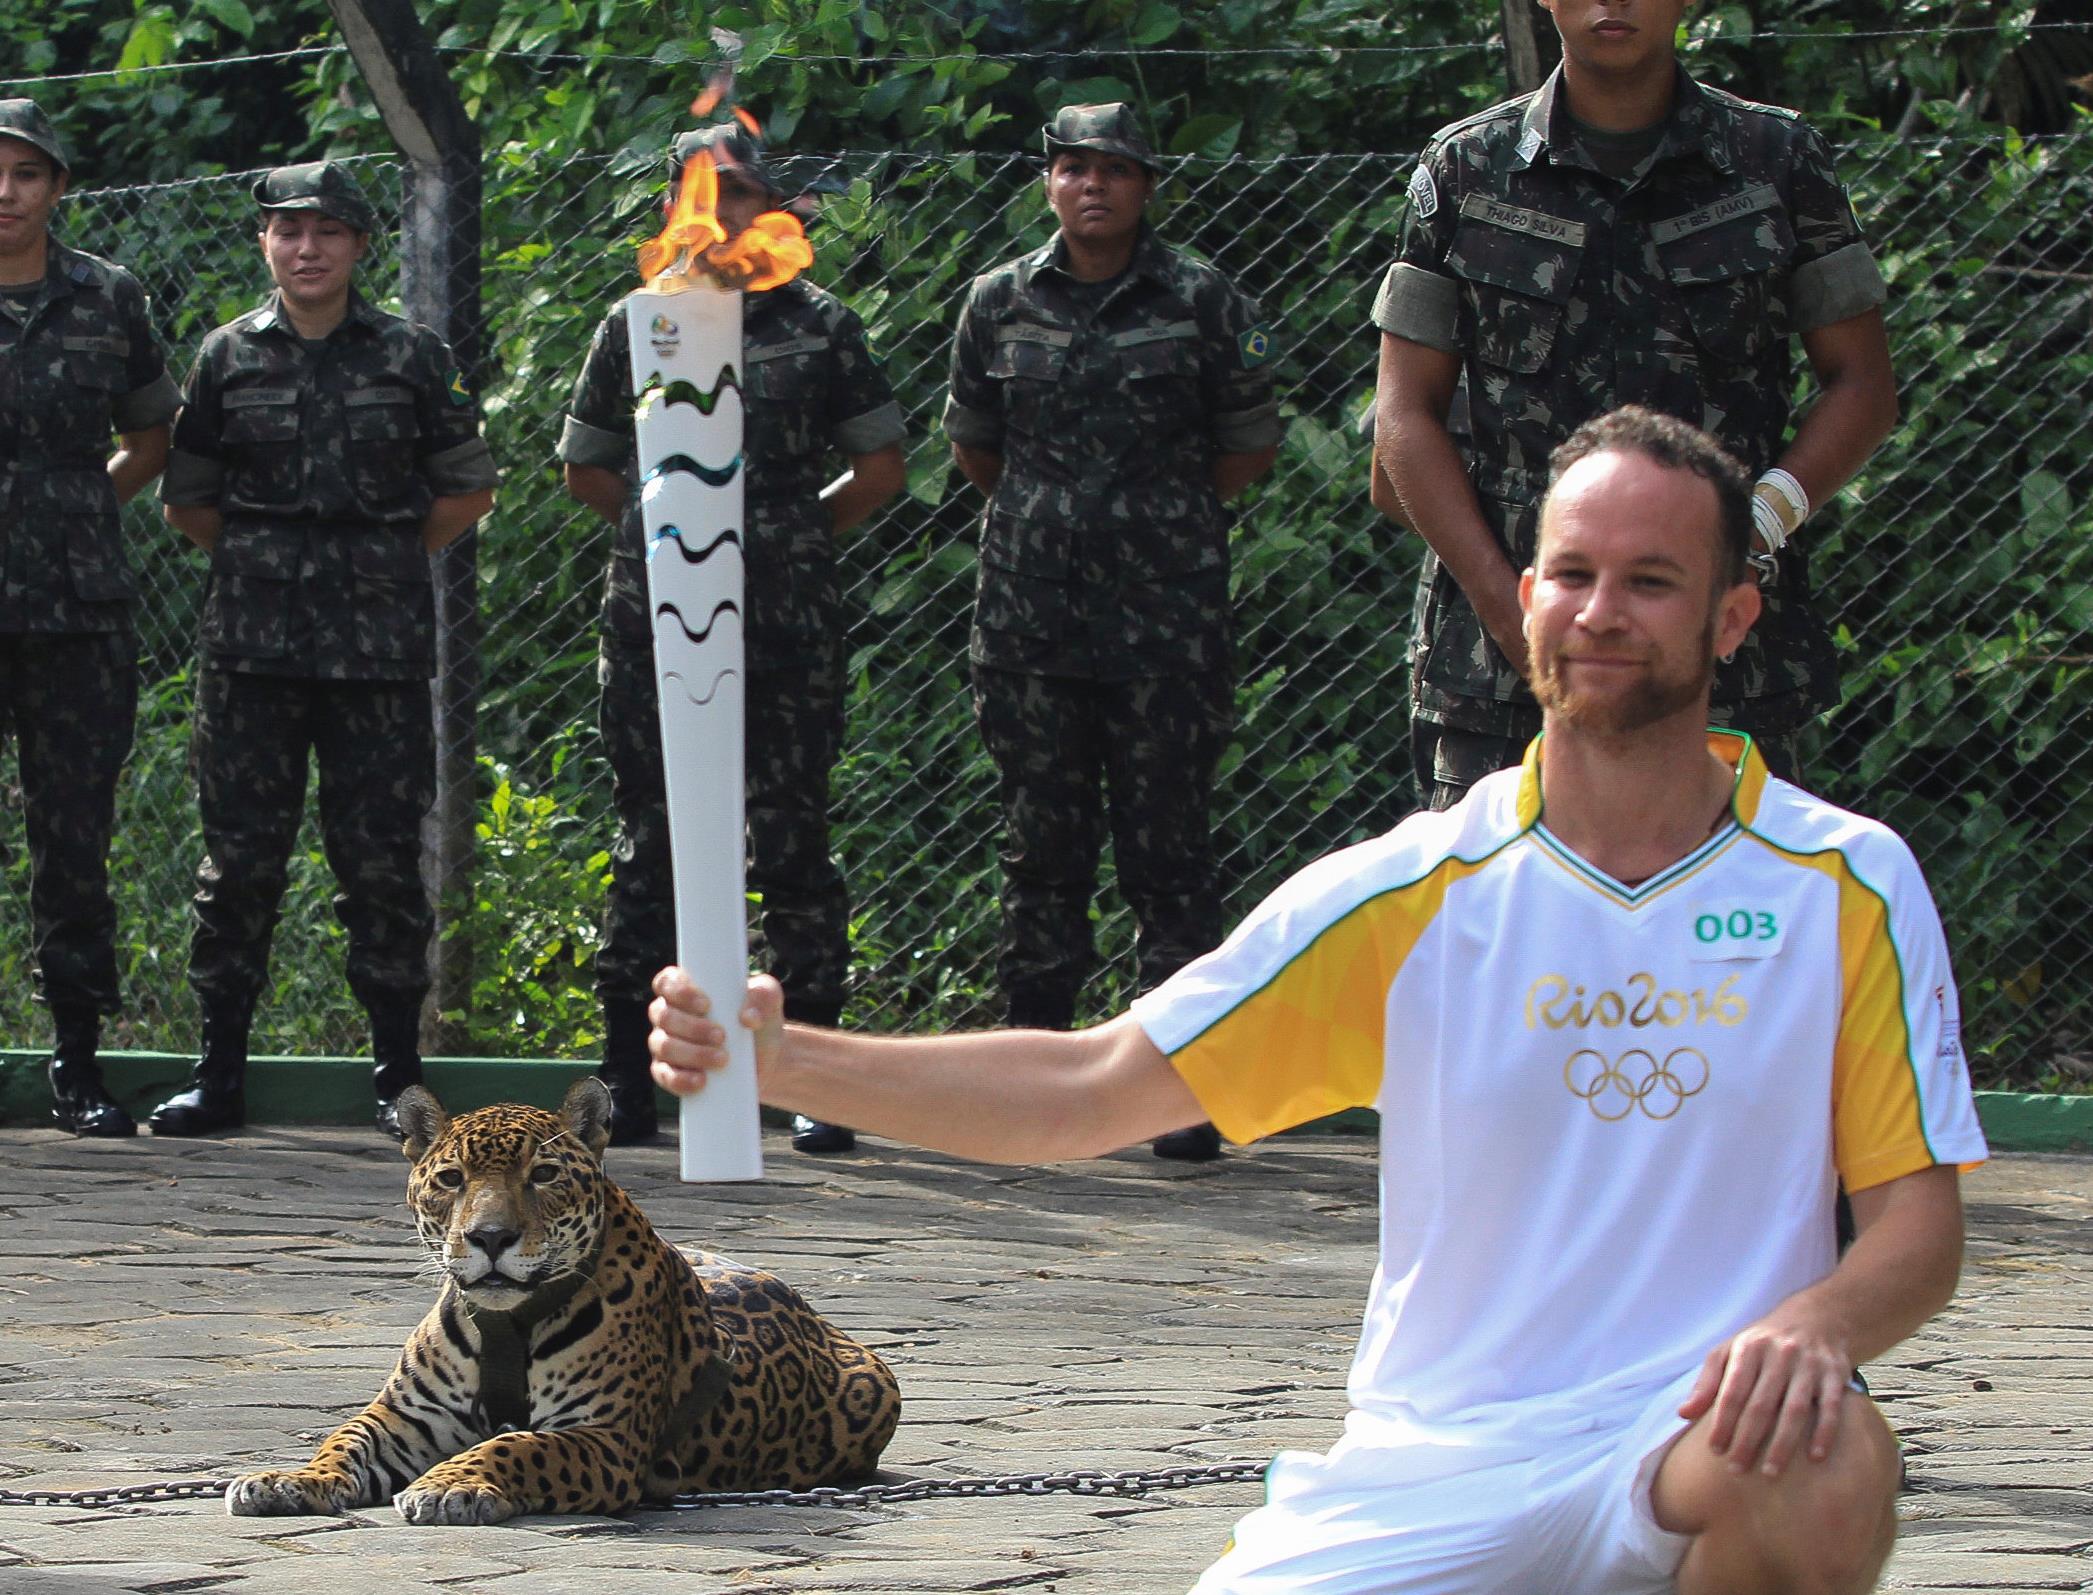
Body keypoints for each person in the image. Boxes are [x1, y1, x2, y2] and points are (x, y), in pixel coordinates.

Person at [649, 407, 1985, 1594]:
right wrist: (779, 1055)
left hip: (1689, 1436)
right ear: (1522, 600)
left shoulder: (1840, 881)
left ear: (1729, 616)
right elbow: (1093, 1085)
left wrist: (1816, 1322)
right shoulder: (1413, 890)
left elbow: (1916, 1226)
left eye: (1650, 581)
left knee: (1822, 1458)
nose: (1600, 611)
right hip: (1440, 1463)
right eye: (1571, 574)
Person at [1373, 0, 1899, 810]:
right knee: (1498, 926)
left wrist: (1760, 519)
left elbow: (1862, 385)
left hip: (1721, 654)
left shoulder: (1775, 159)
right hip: (1498, 671)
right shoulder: (1466, 168)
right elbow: (1404, 418)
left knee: (1725, 921)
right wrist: (1505, 605)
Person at [942, 102, 1282, 1161]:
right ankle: (1030, 1089)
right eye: (1073, 168)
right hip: (1032, 625)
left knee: (1167, 857)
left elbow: (1242, 446)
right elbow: (977, 449)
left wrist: (1148, 529)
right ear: (1048, 182)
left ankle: (1175, 1093)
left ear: (1146, 185)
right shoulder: (996, 302)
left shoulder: (1200, 301)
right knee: (1039, 854)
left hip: (1164, 628)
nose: (1092, 186)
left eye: (1115, 170)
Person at [559, 124, 905, 1153]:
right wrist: (678, 542)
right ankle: (628, 1075)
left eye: (742, 190)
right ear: (673, 201)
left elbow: (879, 468)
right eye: (701, 188)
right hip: (656, 624)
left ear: (771, 205)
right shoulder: (642, 320)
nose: (722, 207)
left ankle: (807, 1078)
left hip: (785, 626)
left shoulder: (819, 324)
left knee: (791, 838)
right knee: (649, 837)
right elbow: (586, 469)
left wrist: (781, 536)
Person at [152, 161, 499, 1140]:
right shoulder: (226, 356)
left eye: (326, 232)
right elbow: (189, 501)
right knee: (239, 867)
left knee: (382, 866)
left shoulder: (411, 356)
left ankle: (397, 1074)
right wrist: (277, 565)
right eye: (286, 231)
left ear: (357, 244)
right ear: (265, 243)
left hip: (378, 659)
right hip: (250, 659)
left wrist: (374, 562)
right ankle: (219, 1074)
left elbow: (467, 490)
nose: (305, 248)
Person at [0, 98, 177, 1138]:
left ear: (58, 187)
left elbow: (149, 439)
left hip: (76, 613)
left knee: (74, 840)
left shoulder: (108, 296)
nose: (6, 192)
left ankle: (75, 1062)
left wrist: (67, 512)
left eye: (27, 173)